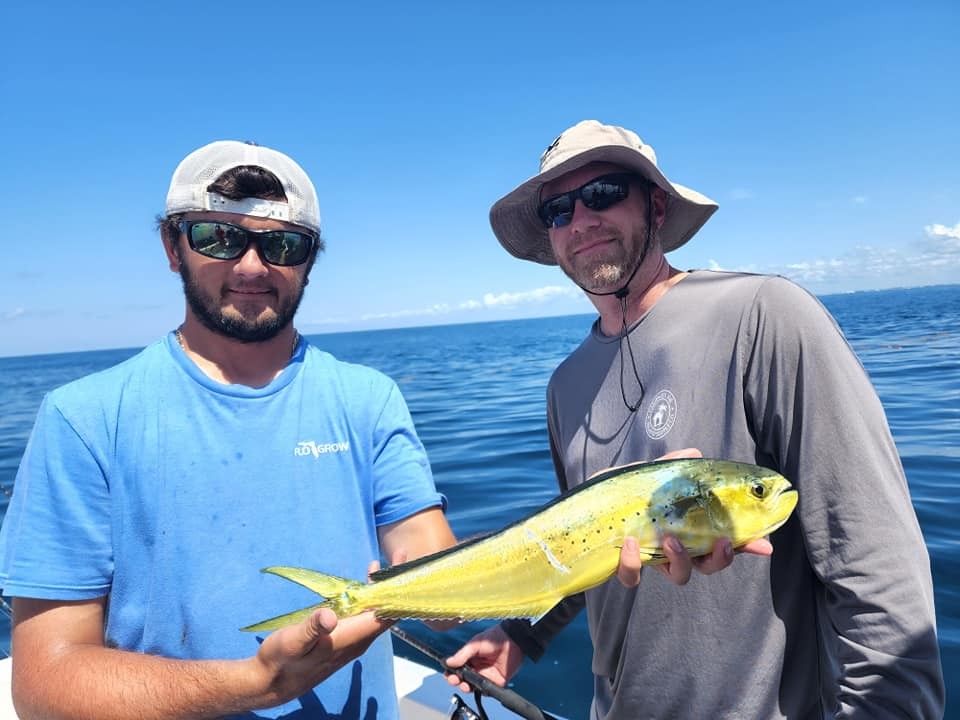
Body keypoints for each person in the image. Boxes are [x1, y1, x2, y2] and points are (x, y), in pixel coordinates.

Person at [446, 120, 944, 718]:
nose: (581, 220)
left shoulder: (764, 314)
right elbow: (586, 542)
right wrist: (522, 634)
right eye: (558, 209)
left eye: (603, 193)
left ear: (656, 206)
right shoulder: (565, 385)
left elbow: (873, 559)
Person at [0, 140, 464, 719]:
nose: (250, 266)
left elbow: (427, 561)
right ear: (173, 246)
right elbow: (43, 685)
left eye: (283, 244)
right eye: (217, 238)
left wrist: (459, 588)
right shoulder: (82, 418)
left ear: (310, 261)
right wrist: (257, 684)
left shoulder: (369, 399)